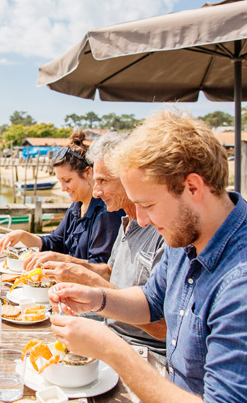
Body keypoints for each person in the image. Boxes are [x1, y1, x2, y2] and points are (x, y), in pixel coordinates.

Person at [50, 111, 247, 402]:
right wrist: (96, 298)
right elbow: (151, 302)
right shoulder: (187, 235)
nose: (140, 220)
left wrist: (111, 350)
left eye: (149, 204)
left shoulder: (239, 283)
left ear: (193, 188)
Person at [42, 131, 166, 358]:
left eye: (103, 181)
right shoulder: (127, 221)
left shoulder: (163, 232)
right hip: (111, 329)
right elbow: (110, 271)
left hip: (139, 348)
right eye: (95, 181)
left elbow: (161, 326)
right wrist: (73, 268)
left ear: (131, 177)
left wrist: (90, 284)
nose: (96, 191)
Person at [0, 130, 122, 273]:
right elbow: (55, 242)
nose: (63, 188)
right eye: (60, 181)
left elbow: (103, 268)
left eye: (67, 180)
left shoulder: (107, 212)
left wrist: (61, 259)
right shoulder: (77, 207)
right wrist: (22, 235)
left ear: (88, 173)